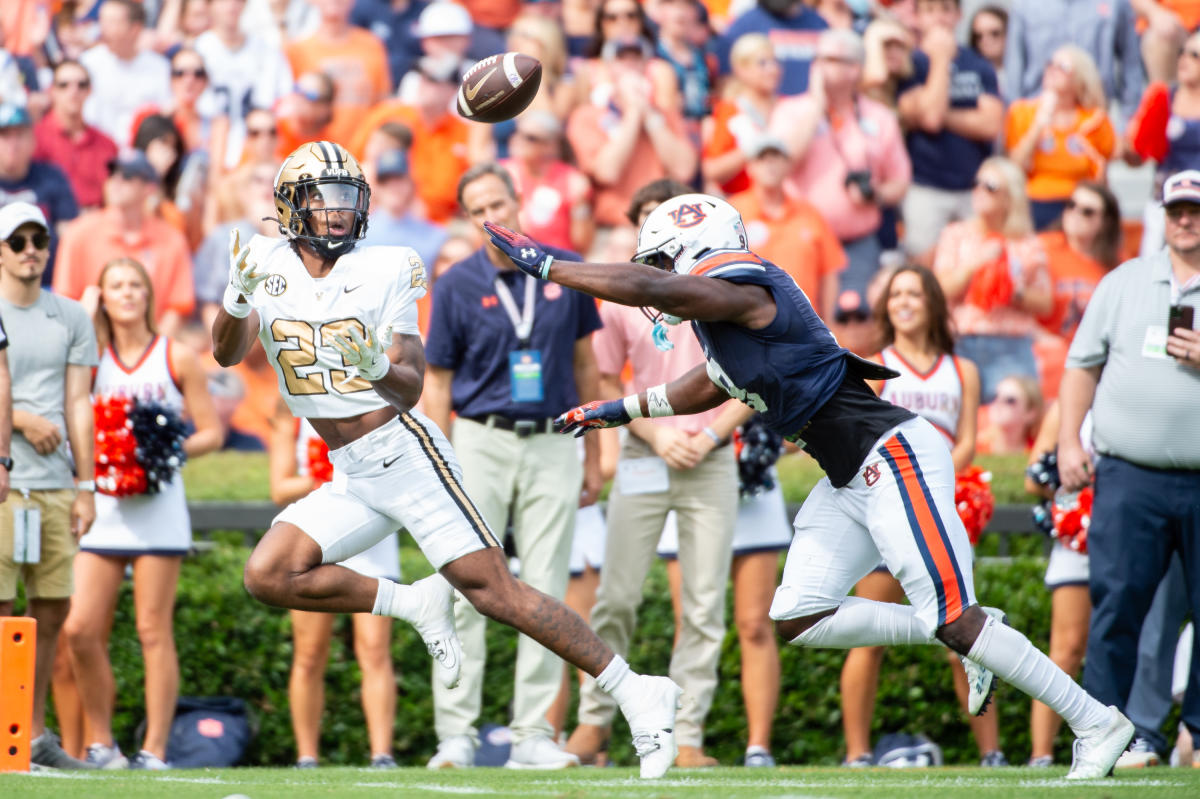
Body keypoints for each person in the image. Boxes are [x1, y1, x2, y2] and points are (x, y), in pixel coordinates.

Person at [483, 190, 1137, 781]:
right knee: (799, 614)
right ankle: (965, 627)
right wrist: (616, 410)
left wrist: (551, 265)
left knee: (954, 618)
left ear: (696, 250)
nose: (657, 279)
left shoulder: (745, 283)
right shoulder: (730, 325)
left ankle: (1095, 721)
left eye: (662, 262)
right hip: (850, 474)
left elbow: (659, 292)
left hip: (892, 454)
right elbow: (704, 385)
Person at [210, 141, 682, 780]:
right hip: (349, 469)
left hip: (406, 453)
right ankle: (412, 604)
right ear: (292, 204)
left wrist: (374, 363)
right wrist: (237, 301)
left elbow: (410, 386)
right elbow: (226, 354)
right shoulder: (263, 264)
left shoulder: (387, 268)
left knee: (496, 593)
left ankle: (635, 689)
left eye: (351, 199)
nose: (341, 213)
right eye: (326, 199)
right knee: (270, 574)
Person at [422, 163, 605, 770]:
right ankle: (456, 734)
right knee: (465, 586)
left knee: (548, 586)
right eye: (476, 208)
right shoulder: (454, 283)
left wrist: (594, 451)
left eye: (497, 201)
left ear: (519, 200)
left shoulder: (564, 267)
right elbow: (439, 382)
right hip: (479, 440)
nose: (489, 214)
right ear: (467, 218)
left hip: (554, 438)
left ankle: (532, 735)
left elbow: (587, 368)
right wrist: (438, 459)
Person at [564, 180, 745, 770]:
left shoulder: (729, 285)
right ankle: (595, 723)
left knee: (702, 604)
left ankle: (687, 732)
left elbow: (762, 375)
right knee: (616, 596)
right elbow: (609, 381)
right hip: (647, 451)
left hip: (712, 455)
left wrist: (712, 434)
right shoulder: (624, 297)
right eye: (648, 218)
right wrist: (656, 433)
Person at [1058, 168, 1200, 770]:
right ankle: (1104, 730)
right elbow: (1081, 365)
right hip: (1129, 474)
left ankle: (1194, 733)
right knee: (1116, 603)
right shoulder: (1123, 282)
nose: (1186, 220)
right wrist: (1069, 439)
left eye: (1196, 210)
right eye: (1177, 211)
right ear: (1162, 217)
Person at [837, 264, 1003, 766]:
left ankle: (991, 753)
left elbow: (969, 439)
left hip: (942, 513)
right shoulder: (873, 364)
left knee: (967, 638)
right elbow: (863, 440)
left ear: (933, 302)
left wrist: (934, 483)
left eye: (914, 293)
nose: (904, 302)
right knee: (868, 638)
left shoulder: (963, 370)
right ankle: (857, 753)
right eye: (896, 294)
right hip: (888, 516)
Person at [60, 257, 222, 770]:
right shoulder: (89, 359)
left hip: (158, 510)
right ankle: (103, 744)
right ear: (102, 296)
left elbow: (212, 432)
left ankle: (153, 749)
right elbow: (69, 416)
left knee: (154, 631)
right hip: (102, 510)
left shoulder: (177, 355)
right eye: (116, 286)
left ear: (149, 295)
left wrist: (166, 453)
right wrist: (86, 309)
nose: (127, 294)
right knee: (80, 629)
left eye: (135, 285)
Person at [0, 201, 97, 770]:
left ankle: (31, 735)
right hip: (6, 484)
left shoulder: (71, 316)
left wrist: (86, 484)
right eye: (18, 241)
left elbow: (80, 402)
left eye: (39, 239)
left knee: (52, 610)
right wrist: (20, 421)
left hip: (56, 485)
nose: (32, 249)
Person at [270, 404, 400, 769]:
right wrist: (329, 476)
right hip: (313, 542)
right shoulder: (290, 404)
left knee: (375, 650)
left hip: (371, 541)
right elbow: (279, 486)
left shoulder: (376, 397)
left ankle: (382, 754)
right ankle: (307, 756)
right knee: (309, 654)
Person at [769, 28, 910, 329]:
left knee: (853, 327)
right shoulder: (791, 110)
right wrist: (816, 107)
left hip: (856, 245)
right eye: (818, 58)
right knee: (795, 326)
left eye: (832, 60)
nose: (821, 66)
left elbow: (900, 180)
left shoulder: (880, 116)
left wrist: (877, 194)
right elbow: (783, 160)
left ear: (854, 68)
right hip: (801, 240)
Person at [932, 157, 1052, 404]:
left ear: (1010, 196)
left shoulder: (1027, 243)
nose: (979, 190)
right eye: (977, 183)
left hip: (1011, 346)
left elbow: (1045, 302)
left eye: (991, 186)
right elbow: (939, 292)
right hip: (961, 341)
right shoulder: (956, 234)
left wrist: (1014, 292)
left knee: (1013, 425)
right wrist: (975, 266)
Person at [896, 0, 1003, 264]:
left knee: (974, 265)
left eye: (945, 9)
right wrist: (941, 59)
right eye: (930, 10)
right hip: (925, 187)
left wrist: (937, 111)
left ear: (958, 15)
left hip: (973, 188)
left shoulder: (979, 64)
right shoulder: (910, 64)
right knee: (924, 266)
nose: (939, 18)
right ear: (918, 18)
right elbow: (931, 119)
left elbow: (990, 125)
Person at [53, 149, 195, 337]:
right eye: (113, 173)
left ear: (149, 188)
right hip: (92, 346)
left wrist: (153, 352)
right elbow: (65, 301)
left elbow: (178, 307)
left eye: (128, 176)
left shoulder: (171, 240)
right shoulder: (78, 233)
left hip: (152, 346)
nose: (117, 181)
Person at [567, 35, 697, 229]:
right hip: (614, 226)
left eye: (636, 59)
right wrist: (634, 113)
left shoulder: (665, 115)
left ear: (646, 67)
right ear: (608, 68)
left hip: (662, 223)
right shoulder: (587, 115)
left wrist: (649, 115)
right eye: (622, 59)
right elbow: (607, 172)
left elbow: (684, 169)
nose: (630, 65)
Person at [727, 136, 845, 322]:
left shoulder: (810, 213)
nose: (770, 164)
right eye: (762, 158)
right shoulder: (732, 212)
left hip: (803, 324)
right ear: (749, 167)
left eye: (776, 157)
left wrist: (829, 324)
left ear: (788, 165)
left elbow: (829, 271)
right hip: (748, 323)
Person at [1005, 45, 1116, 231]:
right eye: (1050, 64)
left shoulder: (1095, 121)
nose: (1052, 70)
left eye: (1062, 67)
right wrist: (1039, 124)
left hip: (1078, 205)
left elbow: (1101, 175)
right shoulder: (1022, 112)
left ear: (1080, 78)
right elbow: (1015, 167)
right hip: (1034, 203)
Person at [1003, 0, 1142, 125]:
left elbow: (1131, 65)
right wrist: (1015, 122)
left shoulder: (1115, 3)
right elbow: (1014, 67)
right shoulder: (1024, 5)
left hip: (1095, 116)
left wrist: (1127, 120)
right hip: (1037, 117)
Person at [0, 101, 80, 287]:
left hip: (46, 285)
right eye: (4, 136)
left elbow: (69, 235)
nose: (13, 144)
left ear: (33, 141)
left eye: (19, 135)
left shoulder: (52, 177)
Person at [702, 33, 783, 196]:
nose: (772, 69)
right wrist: (753, 148)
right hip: (743, 202)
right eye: (762, 63)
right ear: (741, 69)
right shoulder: (730, 110)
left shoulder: (787, 107)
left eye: (775, 62)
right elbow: (712, 170)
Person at [79, 0, 171, 146]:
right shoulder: (87, 64)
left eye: (113, 22)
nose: (103, 29)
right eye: (102, 21)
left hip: (143, 154)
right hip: (98, 152)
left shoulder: (160, 68)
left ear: (135, 29)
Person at [500, 111, 594, 254]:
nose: (519, 140)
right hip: (512, 261)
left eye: (530, 138)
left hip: (555, 263)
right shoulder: (503, 174)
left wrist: (580, 207)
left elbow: (582, 244)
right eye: (517, 133)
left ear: (551, 144)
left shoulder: (573, 181)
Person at [32, 60, 118, 211]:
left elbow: (114, 195)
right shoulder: (35, 138)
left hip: (97, 221)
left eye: (81, 84)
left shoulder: (106, 143)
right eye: (64, 85)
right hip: (51, 222)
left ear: (89, 90)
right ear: (52, 90)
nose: (74, 91)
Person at [716, 0, 829, 96]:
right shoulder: (744, 26)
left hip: (813, 114)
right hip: (762, 116)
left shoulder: (818, 23)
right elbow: (725, 81)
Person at [364, 148, 448, 269]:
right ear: (376, 186)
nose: (392, 186)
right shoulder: (359, 235)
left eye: (399, 179)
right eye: (385, 181)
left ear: (411, 184)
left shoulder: (436, 236)